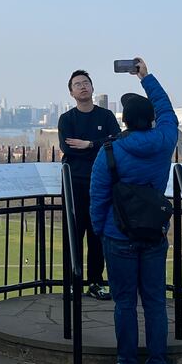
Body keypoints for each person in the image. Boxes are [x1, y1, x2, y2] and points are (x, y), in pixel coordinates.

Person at [89, 57, 178, 364]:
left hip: (118, 233)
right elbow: (167, 110)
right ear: (151, 121)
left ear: (125, 120)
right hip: (154, 232)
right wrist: (146, 76)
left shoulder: (111, 150)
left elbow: (98, 197)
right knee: (155, 301)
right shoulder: (165, 140)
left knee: (124, 303)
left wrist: (100, 230)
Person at [58, 69, 120, 300]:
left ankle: (95, 281)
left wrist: (88, 145)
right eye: (77, 84)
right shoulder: (67, 119)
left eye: (86, 83)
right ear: (71, 92)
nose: (83, 86)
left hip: (102, 182)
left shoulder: (106, 116)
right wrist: (97, 146)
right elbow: (67, 148)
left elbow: (117, 141)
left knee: (97, 234)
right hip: (74, 183)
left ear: (92, 88)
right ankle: (72, 282)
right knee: (73, 234)